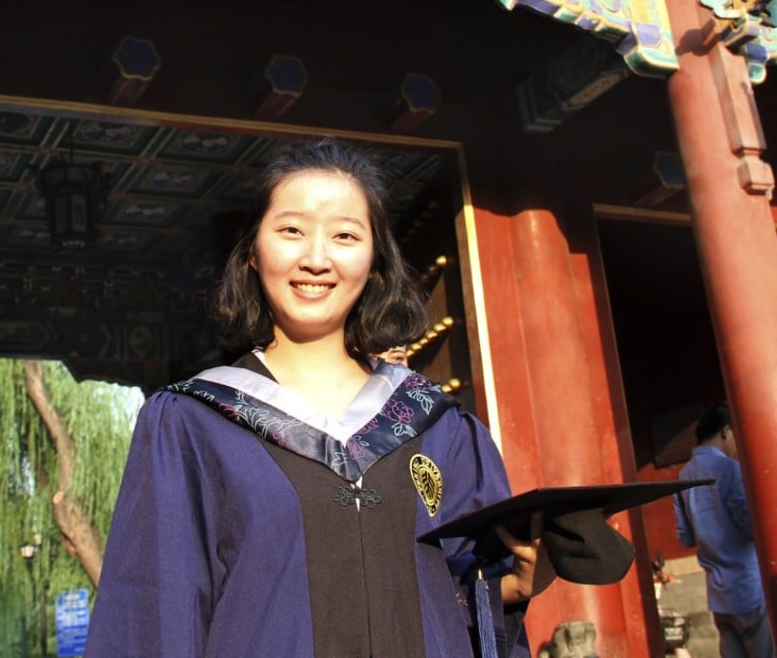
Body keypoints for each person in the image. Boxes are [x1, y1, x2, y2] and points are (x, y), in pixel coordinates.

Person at [84, 139, 553, 657]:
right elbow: (153, 617)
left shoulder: (438, 427)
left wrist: (510, 587)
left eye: (345, 235)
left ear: (375, 262)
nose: (316, 258)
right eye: (291, 231)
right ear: (252, 255)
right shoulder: (193, 424)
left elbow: (466, 597)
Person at [674, 404, 776, 658]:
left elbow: (685, 536)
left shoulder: (683, 476)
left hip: (718, 594)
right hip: (748, 586)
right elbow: (753, 527)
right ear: (726, 431)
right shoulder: (730, 469)